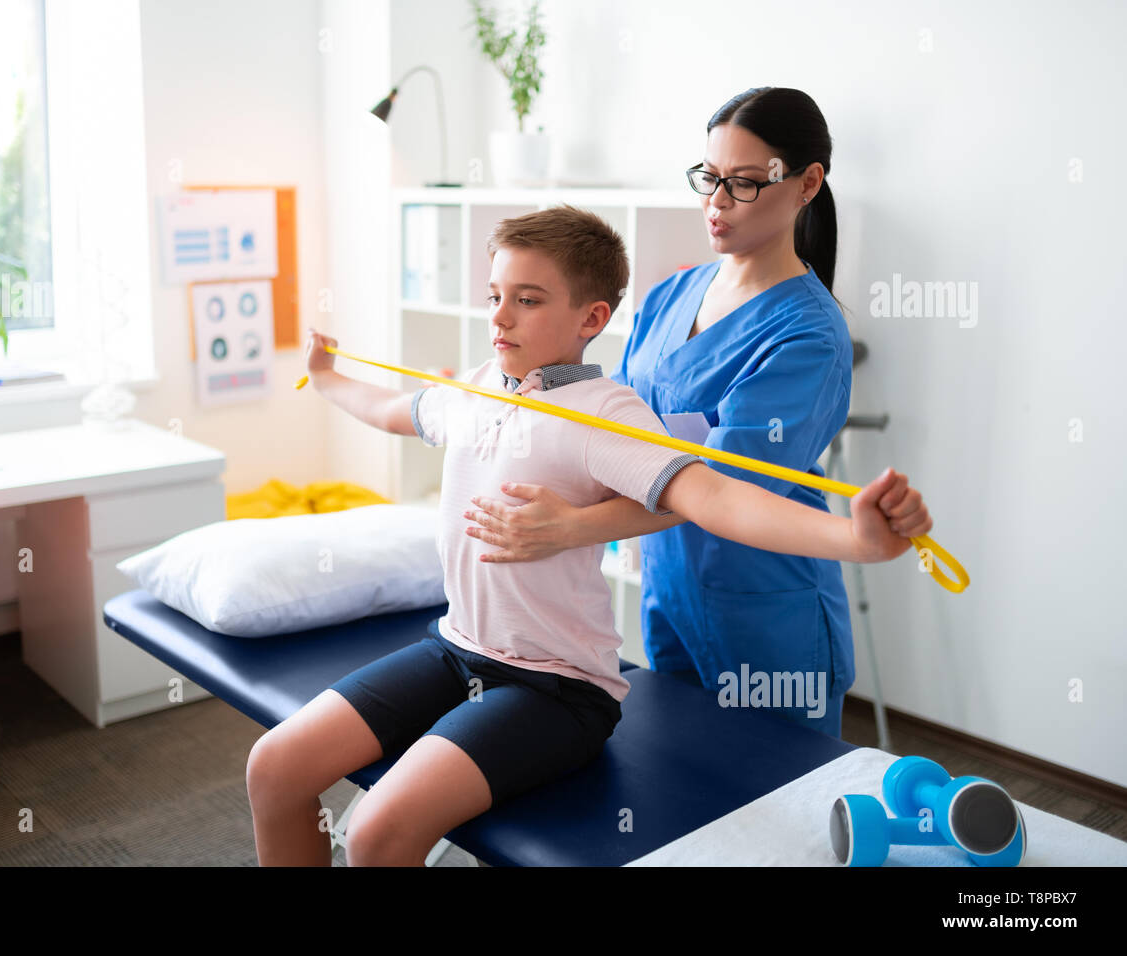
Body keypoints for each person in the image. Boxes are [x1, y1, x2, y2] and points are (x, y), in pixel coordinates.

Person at [245, 205, 931, 867]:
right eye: (495, 296)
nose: (500, 317)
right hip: (456, 648)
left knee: (374, 835)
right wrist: (329, 378)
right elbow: (392, 409)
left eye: (529, 300)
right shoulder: (481, 386)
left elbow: (714, 496)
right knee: (274, 765)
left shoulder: (605, 414)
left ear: (592, 318)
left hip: (555, 690)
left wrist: (859, 541)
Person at [465, 87, 860, 738]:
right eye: (709, 177)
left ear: (807, 183)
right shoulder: (671, 294)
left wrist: (571, 527)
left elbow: (727, 488)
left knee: (773, 806)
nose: (716, 201)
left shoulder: (807, 338)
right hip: (671, 588)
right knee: (682, 791)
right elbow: (620, 420)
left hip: (765, 611)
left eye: (744, 184)